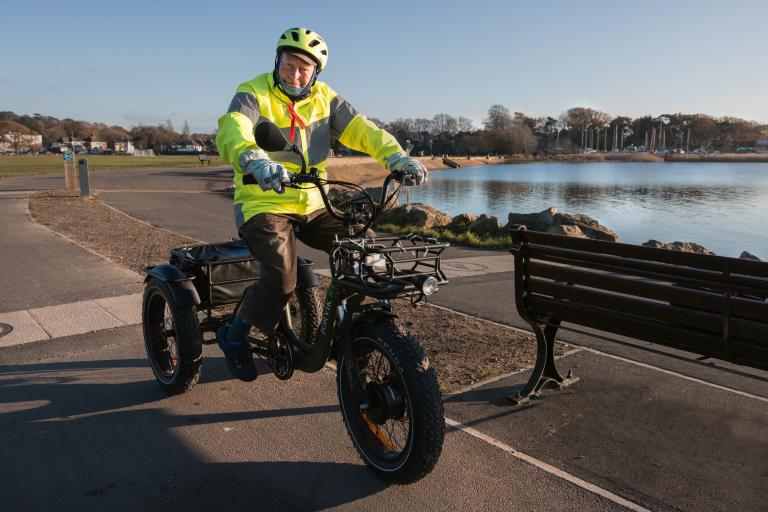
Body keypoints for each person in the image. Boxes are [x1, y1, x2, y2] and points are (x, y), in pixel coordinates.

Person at [215, 27, 428, 381]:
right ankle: (234, 337)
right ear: (278, 60)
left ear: (316, 72)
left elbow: (364, 130)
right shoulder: (252, 92)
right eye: (289, 63)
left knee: (365, 255)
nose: (295, 73)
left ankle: (356, 336)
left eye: (304, 68)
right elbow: (233, 129)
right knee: (281, 280)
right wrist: (252, 158)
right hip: (263, 201)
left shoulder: (325, 98)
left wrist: (396, 157)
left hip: (316, 202)